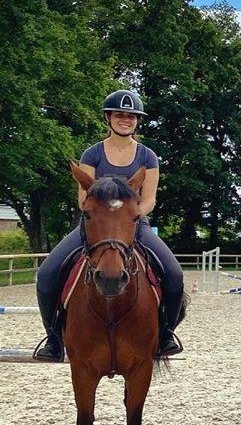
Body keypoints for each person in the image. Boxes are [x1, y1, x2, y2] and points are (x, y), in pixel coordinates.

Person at [33, 90, 185, 361]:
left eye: (130, 116)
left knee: (174, 275)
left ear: (137, 121)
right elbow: (83, 198)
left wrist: (130, 215)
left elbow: (149, 200)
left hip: (134, 225)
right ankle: (54, 338)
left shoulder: (147, 156)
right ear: (108, 117)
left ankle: (165, 335)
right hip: (95, 228)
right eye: (119, 115)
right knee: (46, 274)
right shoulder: (92, 154)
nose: (125, 120)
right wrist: (105, 215)